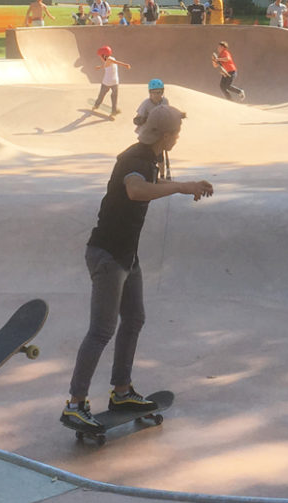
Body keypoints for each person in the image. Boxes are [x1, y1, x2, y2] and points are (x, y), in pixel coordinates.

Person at [61, 103, 214, 431]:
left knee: (134, 318)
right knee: (102, 329)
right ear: (166, 134)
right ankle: (75, 404)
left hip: (126, 255)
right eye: (177, 133)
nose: (178, 138)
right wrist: (182, 187)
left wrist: (185, 184)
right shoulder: (136, 158)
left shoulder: (154, 156)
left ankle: (121, 391)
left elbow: (147, 186)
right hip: (107, 255)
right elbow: (135, 189)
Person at [90, 45, 130, 116]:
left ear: (104, 55)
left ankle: (96, 105)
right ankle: (114, 111)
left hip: (106, 82)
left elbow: (116, 62)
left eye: (100, 57)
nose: (100, 58)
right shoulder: (110, 59)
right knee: (114, 97)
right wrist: (99, 67)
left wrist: (125, 65)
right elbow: (106, 65)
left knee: (101, 95)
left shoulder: (109, 60)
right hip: (115, 82)